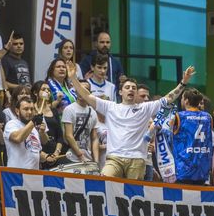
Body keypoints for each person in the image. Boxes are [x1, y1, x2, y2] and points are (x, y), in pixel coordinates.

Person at [67, 61, 196, 179]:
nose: (131, 90)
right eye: (127, 87)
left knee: (134, 193)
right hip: (114, 159)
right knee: (104, 181)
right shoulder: (110, 107)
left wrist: (183, 82)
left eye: (134, 88)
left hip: (137, 159)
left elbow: (169, 98)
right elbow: (87, 95)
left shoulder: (145, 108)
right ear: (120, 92)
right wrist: (73, 78)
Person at [172, 88, 213, 185]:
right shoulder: (208, 117)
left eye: (182, 98)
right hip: (202, 171)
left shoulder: (179, 116)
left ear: (186, 101)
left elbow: (162, 129)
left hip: (183, 170)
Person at [4, 97, 48, 170]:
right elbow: (18, 138)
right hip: (16, 174)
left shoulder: (33, 129)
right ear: (17, 111)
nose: (30, 112)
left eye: (32, 109)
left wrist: (47, 157)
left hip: (33, 174)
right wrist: (33, 122)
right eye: (26, 109)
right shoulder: (11, 124)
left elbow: (36, 152)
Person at [62, 79, 99, 163]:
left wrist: (96, 160)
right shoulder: (69, 109)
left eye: (85, 89)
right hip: (71, 157)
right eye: (79, 88)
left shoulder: (92, 112)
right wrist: (80, 155)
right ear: (76, 91)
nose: (82, 91)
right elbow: (68, 135)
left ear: (89, 93)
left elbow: (94, 138)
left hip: (88, 157)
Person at [31, 81, 64, 169]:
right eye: (43, 89)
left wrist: (56, 152)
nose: (47, 91)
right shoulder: (31, 110)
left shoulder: (54, 111)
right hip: (38, 150)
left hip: (53, 150)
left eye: (48, 90)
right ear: (35, 93)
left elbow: (60, 136)